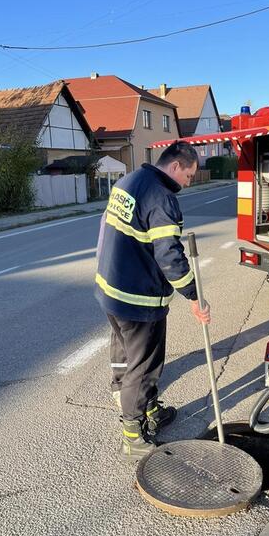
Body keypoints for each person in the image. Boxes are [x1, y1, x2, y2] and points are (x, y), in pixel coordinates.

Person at [93, 141, 211, 461]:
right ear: (175, 166)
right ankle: (133, 435)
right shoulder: (162, 199)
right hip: (138, 299)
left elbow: (105, 227)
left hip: (110, 289)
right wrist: (194, 296)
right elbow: (170, 258)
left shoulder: (128, 181)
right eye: (189, 175)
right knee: (144, 366)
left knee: (122, 352)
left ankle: (139, 404)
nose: (188, 181)